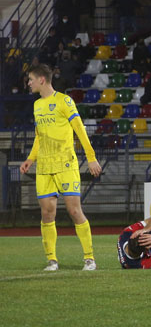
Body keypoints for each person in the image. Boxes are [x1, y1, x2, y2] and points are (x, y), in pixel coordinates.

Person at [19, 64, 102, 271]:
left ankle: (89, 258)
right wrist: (31, 158)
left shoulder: (64, 101)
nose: (28, 83)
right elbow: (39, 136)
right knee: (47, 213)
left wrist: (91, 158)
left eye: (31, 79)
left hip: (65, 163)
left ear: (41, 80)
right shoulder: (37, 105)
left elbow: (80, 130)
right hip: (44, 166)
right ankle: (52, 260)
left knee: (74, 210)